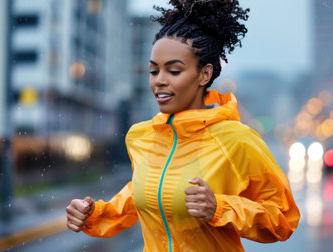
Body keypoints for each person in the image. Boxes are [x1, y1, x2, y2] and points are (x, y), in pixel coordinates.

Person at [66, 0, 300, 251]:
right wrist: (94, 214)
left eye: (174, 71)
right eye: (154, 71)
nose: (160, 82)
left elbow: (282, 219)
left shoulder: (236, 140)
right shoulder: (141, 136)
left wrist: (220, 208)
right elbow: (142, 196)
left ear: (204, 74)